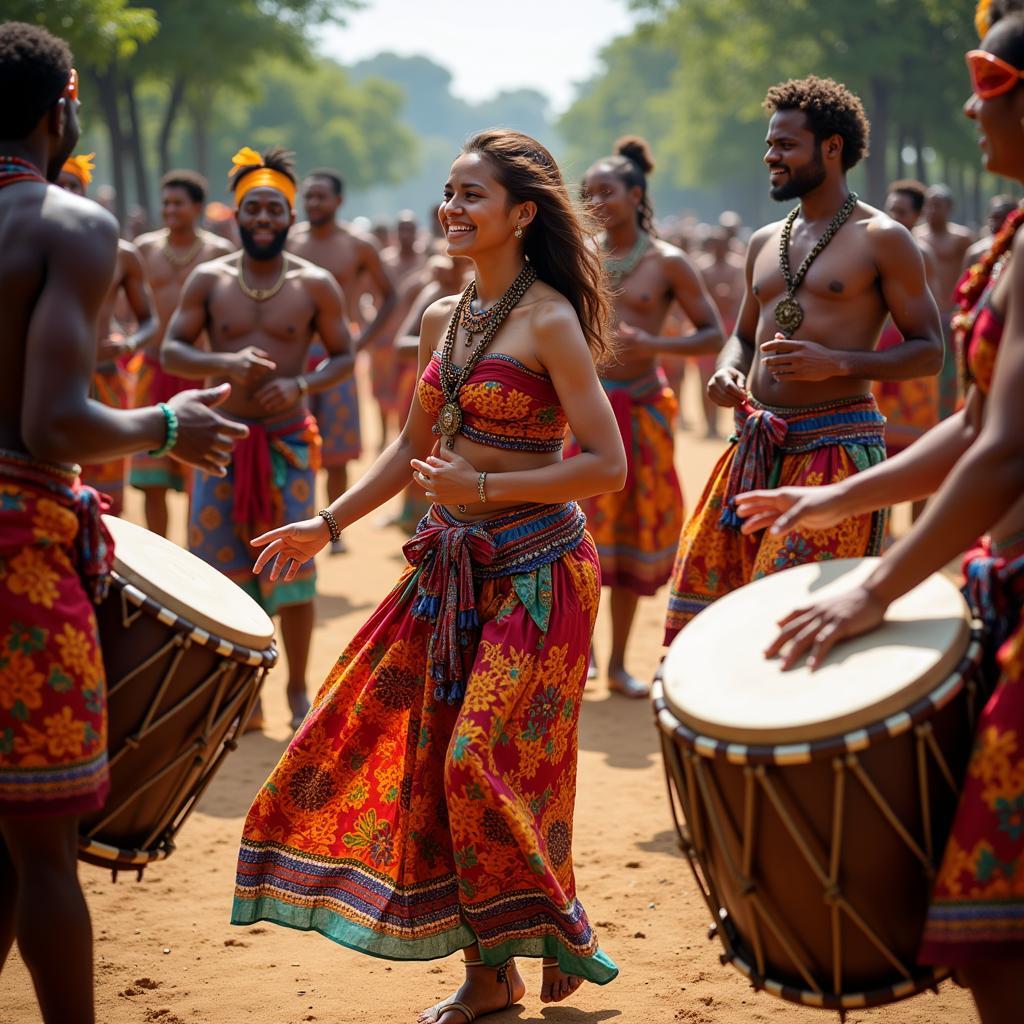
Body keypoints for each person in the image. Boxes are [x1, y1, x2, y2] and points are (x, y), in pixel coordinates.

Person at [231, 129, 626, 1023]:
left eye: (471, 196)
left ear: (523, 215)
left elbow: (608, 465)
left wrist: (487, 484)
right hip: (451, 571)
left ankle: (543, 926)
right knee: (430, 761)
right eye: (449, 192)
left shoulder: (551, 319)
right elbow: (411, 450)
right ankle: (498, 971)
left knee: (479, 760)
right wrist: (324, 524)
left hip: (540, 575)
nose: (452, 208)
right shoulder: (440, 319)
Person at [734, 6, 1024, 1019]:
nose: (965, 103)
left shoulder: (896, 240)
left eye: (987, 80)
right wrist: (836, 496)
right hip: (984, 572)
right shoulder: (1015, 236)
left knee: (997, 934)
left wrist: (872, 586)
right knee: (994, 939)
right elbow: (981, 424)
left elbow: (1003, 449)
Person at [0, 24, 247, 1024]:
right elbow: (54, 421)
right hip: (15, 554)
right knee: (39, 846)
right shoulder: (66, 225)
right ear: (63, 106)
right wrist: (168, 422)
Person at [662, 75, 944, 647]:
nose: (772, 156)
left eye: (786, 145)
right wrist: (727, 368)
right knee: (712, 605)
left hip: (834, 452)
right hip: (756, 445)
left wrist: (837, 362)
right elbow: (740, 335)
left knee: (788, 610)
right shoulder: (766, 240)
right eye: (770, 145)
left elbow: (930, 352)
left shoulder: (882, 238)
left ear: (831, 148)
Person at [162, 147, 355, 732]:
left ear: (289, 215)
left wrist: (300, 383)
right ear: (238, 216)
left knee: (293, 568)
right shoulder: (210, 279)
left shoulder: (315, 284)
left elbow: (345, 355)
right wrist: (224, 360)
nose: (264, 218)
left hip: (289, 443)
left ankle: (297, 690)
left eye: (275, 208)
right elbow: (173, 349)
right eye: (253, 208)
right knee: (219, 570)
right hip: (218, 444)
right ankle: (237, 693)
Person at [580, 137, 722, 697]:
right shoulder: (580, 256)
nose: (596, 201)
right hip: (582, 413)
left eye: (607, 191)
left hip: (641, 410)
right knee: (576, 532)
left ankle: (616, 663)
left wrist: (656, 345)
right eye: (588, 192)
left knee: (633, 535)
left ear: (636, 195)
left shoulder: (668, 263)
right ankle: (582, 657)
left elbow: (713, 332)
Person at [289, 169, 397, 551]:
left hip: (337, 356)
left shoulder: (358, 244)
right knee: (293, 442)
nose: (313, 203)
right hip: (296, 356)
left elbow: (390, 295)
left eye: (321, 196)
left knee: (335, 451)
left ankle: (331, 531)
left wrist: (361, 341)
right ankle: (294, 522)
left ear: (338, 201)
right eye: (308, 196)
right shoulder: (291, 242)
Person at [133, 170, 234, 536]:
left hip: (197, 373)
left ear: (197, 207)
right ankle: (158, 552)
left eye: (178, 203)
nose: (170, 210)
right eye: (165, 203)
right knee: (150, 472)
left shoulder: (218, 253)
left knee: (199, 473)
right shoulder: (145, 248)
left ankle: (195, 553)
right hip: (152, 367)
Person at [57, 152, 158, 515]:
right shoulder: (30, 243)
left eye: (74, 185)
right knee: (53, 481)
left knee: (110, 494)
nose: (66, 191)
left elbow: (150, 321)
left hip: (106, 379)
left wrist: (127, 344)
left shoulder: (121, 254)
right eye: (59, 184)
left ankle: (106, 565)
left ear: (86, 192)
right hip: (51, 381)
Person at [872, 179, 942, 520]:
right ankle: (880, 529)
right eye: (891, 209)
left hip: (913, 354)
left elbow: (937, 306)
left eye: (902, 211)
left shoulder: (923, 254)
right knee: (877, 447)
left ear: (917, 216)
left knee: (919, 448)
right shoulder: (874, 248)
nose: (894, 216)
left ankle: (918, 526)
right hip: (880, 354)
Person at [915, 183, 975, 418]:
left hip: (954, 313)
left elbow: (971, 274)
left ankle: (954, 415)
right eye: (929, 204)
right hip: (928, 314)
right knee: (929, 369)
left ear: (949, 208)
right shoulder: (915, 236)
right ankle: (929, 416)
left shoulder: (962, 238)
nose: (932, 210)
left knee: (954, 369)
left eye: (938, 205)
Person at [696, 225, 746, 438]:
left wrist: (728, 298)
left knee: (729, 375)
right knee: (705, 377)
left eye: (722, 245)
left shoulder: (738, 266)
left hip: (731, 326)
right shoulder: (702, 267)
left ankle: (726, 422)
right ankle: (709, 424)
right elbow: (697, 298)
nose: (719, 249)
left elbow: (744, 297)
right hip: (709, 326)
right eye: (715, 245)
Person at [964, 193, 1018, 268]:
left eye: (1002, 218)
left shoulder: (1019, 252)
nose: (995, 223)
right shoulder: (976, 254)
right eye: (993, 218)